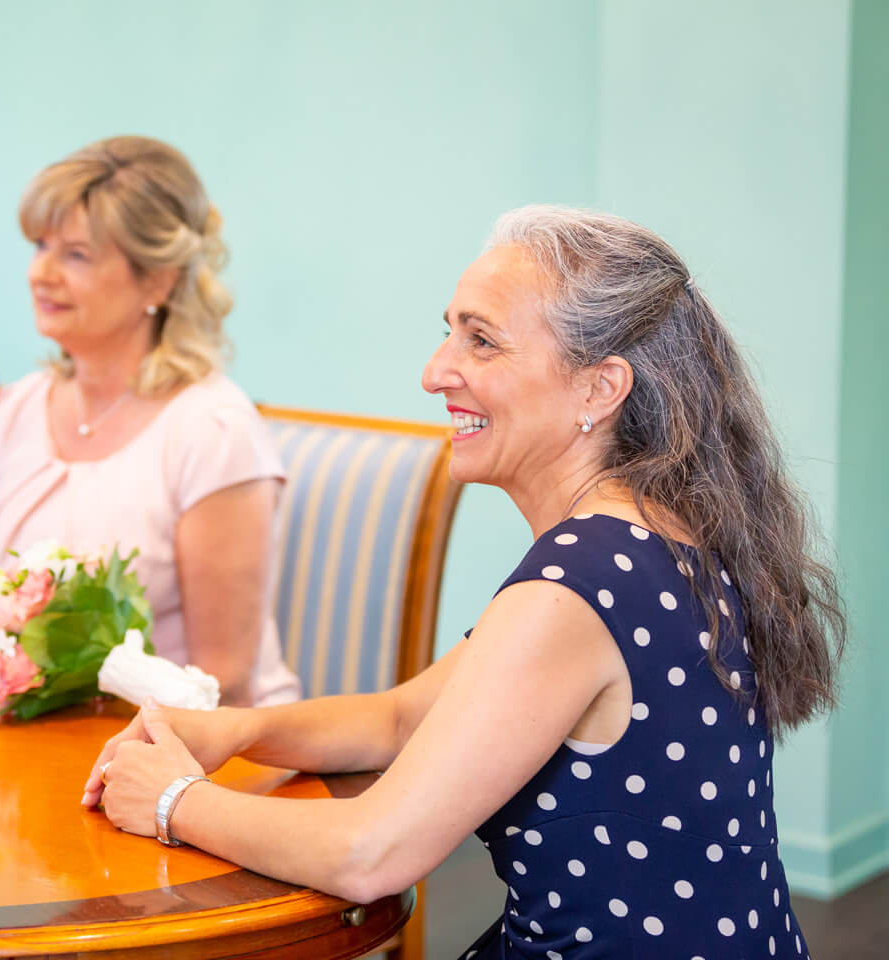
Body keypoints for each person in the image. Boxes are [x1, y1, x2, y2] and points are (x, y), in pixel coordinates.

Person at [84, 206, 846, 958]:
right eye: (449, 330)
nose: (435, 371)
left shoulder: (576, 585)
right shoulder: (658, 533)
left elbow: (370, 853)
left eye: (481, 340)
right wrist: (241, 732)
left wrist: (172, 800)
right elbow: (400, 720)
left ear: (598, 388)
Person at [0, 136, 299, 707]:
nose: (41, 273)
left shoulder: (212, 431)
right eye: (40, 245)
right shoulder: (16, 411)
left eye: (75, 255)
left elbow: (223, 679)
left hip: (203, 752)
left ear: (158, 279)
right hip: (56, 738)